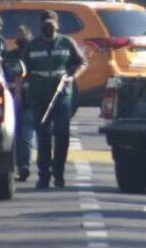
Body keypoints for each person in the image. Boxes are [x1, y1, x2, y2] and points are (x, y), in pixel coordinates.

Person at [15, 10, 87, 189]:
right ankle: (44, 175)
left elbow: (82, 62)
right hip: (39, 95)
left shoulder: (67, 42)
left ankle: (59, 174)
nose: (49, 28)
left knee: (62, 134)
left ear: (57, 25)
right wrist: (18, 94)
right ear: (40, 26)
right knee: (43, 136)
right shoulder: (32, 46)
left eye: (51, 25)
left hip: (62, 95)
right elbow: (21, 71)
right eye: (45, 25)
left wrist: (72, 77)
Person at [5, 26, 34, 182]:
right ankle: (18, 165)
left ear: (30, 35)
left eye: (23, 34)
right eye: (18, 34)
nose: (20, 37)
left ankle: (24, 165)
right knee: (14, 134)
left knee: (25, 134)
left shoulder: (33, 55)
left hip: (29, 99)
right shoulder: (10, 55)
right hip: (11, 99)